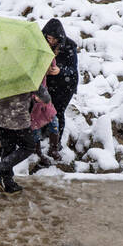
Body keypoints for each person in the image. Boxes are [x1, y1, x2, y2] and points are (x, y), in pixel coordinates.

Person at [0, 82, 51, 195]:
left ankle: (9, 183)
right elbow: (45, 97)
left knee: (8, 148)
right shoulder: (25, 75)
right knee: (28, 147)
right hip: (17, 119)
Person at [42, 18, 78, 160]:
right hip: (49, 82)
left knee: (58, 111)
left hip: (65, 85)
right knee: (43, 107)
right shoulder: (42, 44)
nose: (50, 41)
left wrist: (60, 70)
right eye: (48, 38)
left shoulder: (69, 46)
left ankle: (55, 145)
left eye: (53, 39)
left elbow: (72, 70)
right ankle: (43, 135)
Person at [31, 62, 59, 168]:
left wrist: (54, 68)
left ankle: (53, 149)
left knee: (54, 122)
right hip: (34, 102)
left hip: (44, 98)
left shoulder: (43, 58)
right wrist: (34, 97)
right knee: (35, 127)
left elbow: (52, 64)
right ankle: (37, 152)